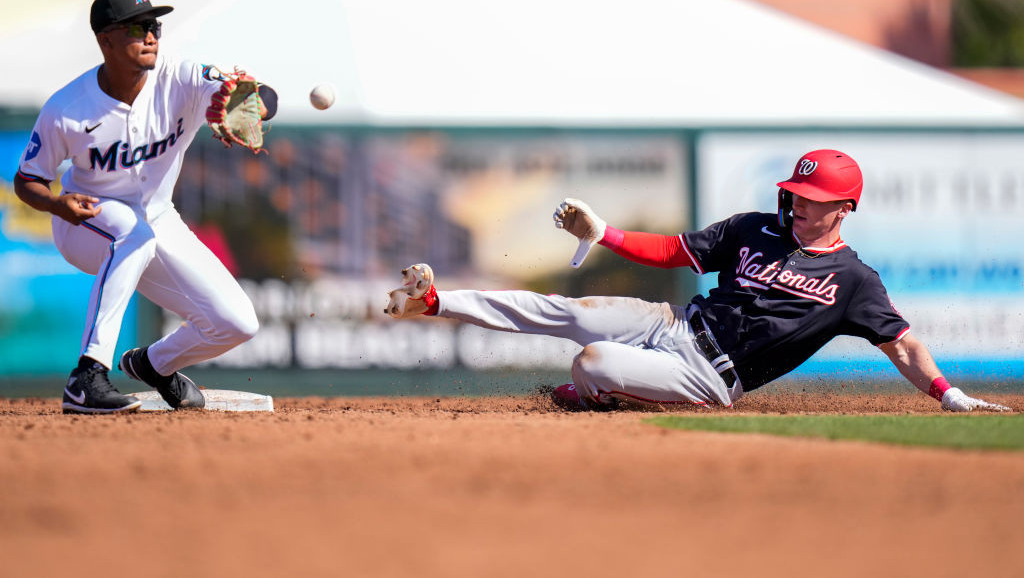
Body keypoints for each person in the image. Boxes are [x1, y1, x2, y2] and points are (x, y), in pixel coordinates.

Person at [385, 149, 1011, 413]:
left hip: (711, 377)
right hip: (676, 323)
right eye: (796, 192)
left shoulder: (854, 280)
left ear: (844, 208)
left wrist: (947, 394)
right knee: (565, 310)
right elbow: (676, 251)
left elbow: (902, 343)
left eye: (814, 198)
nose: (799, 204)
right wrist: (605, 233)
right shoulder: (754, 227)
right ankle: (436, 301)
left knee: (594, 361)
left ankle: (594, 396)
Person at [14, 0, 275, 414]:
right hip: (85, 220)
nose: (151, 35)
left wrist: (255, 106)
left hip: (158, 217)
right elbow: (28, 181)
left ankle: (154, 365)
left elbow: (260, 95)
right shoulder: (67, 108)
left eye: (154, 25)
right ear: (106, 40)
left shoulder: (180, 77)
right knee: (131, 234)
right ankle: (87, 376)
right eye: (137, 27)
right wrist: (57, 205)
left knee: (236, 323)